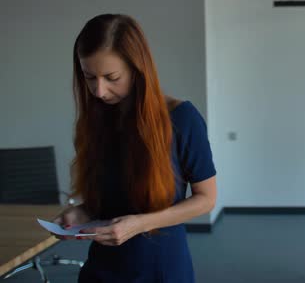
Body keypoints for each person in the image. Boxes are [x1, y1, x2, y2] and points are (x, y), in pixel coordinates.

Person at [52, 14, 217, 283]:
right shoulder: (98, 119)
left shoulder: (182, 118)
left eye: (111, 77)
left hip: (159, 267)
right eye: (89, 77)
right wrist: (82, 212)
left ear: (137, 69)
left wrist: (140, 224)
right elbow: (109, 198)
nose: (99, 90)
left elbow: (206, 199)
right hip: (102, 268)